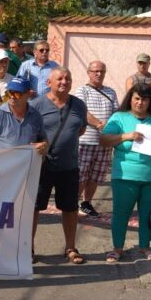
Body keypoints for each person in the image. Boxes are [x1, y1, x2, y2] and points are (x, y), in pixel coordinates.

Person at [99, 84, 151, 262]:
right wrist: (126, 136)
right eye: (136, 98)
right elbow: (103, 139)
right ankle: (117, 248)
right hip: (125, 176)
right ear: (130, 98)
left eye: (144, 99)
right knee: (121, 213)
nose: (140, 102)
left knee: (147, 214)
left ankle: (145, 247)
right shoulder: (119, 117)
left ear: (150, 101)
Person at [29, 67, 89, 264]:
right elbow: (28, 134)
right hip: (42, 167)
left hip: (69, 166)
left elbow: (80, 129)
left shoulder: (79, 105)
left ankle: (70, 248)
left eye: (68, 78)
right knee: (34, 208)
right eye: (60, 79)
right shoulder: (36, 104)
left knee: (70, 208)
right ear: (48, 83)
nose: (64, 82)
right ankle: (27, 248)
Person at [73, 61, 119, 217]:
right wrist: (100, 124)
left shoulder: (111, 92)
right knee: (81, 175)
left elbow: (116, 113)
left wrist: (110, 124)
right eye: (96, 71)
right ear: (89, 72)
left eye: (102, 71)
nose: (99, 74)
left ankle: (86, 203)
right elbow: (82, 112)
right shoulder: (82, 91)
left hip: (105, 143)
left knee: (96, 175)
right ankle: (73, 203)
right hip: (85, 141)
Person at [0, 77, 47, 154]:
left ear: (28, 94)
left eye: (17, 94)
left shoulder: (36, 115)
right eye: (9, 93)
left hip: (26, 165)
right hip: (2, 164)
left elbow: (43, 139)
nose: (12, 97)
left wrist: (44, 146)